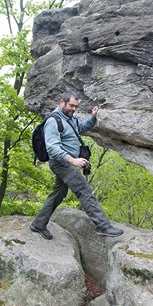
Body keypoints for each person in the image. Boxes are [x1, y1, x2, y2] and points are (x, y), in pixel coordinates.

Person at [30, 91, 124, 239]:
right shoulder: (53, 121)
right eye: (71, 105)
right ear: (62, 102)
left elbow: (79, 129)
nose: (73, 109)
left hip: (66, 163)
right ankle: (103, 226)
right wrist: (72, 160)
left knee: (58, 194)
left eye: (76, 107)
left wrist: (92, 118)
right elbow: (52, 148)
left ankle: (38, 224)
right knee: (84, 191)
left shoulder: (70, 119)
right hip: (61, 163)